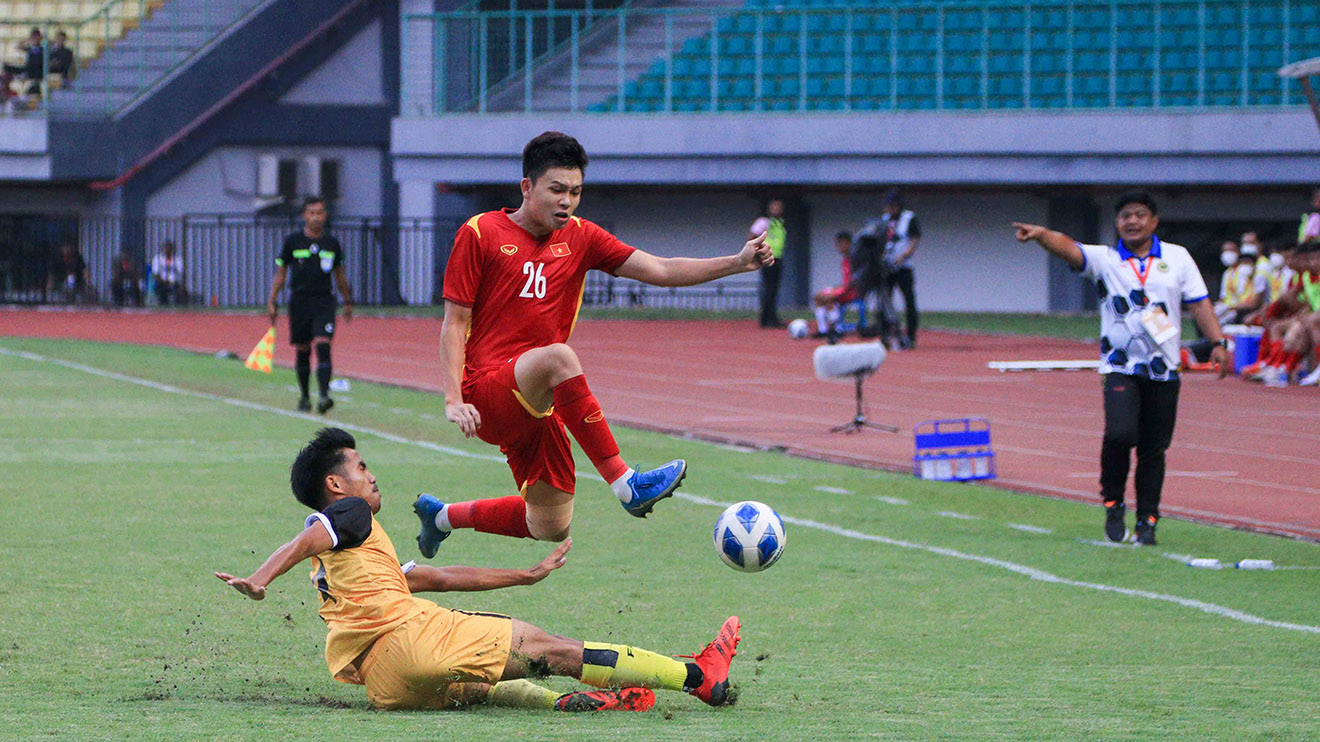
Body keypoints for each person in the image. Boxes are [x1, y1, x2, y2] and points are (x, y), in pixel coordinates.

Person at [416, 131, 773, 556]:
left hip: (538, 403)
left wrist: (735, 263)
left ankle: (440, 517)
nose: (567, 201)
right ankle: (627, 485)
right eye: (557, 190)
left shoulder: (582, 237)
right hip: (487, 393)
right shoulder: (480, 232)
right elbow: (454, 323)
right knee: (559, 358)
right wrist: (453, 399)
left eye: (576, 191)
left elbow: (660, 268)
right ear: (527, 187)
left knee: (549, 525)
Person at [215, 428, 741, 712]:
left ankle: (565, 705)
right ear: (336, 485)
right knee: (550, 648)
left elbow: (438, 578)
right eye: (360, 467)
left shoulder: (349, 560)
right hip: (410, 640)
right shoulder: (345, 515)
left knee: (476, 686)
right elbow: (307, 536)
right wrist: (260, 578)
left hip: (386, 686)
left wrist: (524, 574)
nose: (371, 476)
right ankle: (696, 675)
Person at [1014, 191, 1231, 546]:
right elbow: (1070, 248)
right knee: (1119, 434)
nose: (1132, 221)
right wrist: (1041, 235)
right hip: (1119, 366)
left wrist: (1218, 343)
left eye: (1140, 215)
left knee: (1153, 449)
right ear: (1117, 223)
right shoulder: (1107, 259)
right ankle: (1113, 503)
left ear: (1154, 221)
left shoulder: (1177, 258)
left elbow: (1199, 303)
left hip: (1164, 369)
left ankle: (1148, 520)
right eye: (1125, 216)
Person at [266, 197, 355, 414]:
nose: (316, 217)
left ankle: (324, 395)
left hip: (324, 300)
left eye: (320, 213)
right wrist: (272, 299)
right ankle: (305, 396)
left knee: (324, 344)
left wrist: (347, 300)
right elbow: (281, 272)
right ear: (305, 215)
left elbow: (340, 274)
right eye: (312, 213)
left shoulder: (332, 244)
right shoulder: (292, 242)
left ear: (325, 215)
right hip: (299, 300)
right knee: (303, 348)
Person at [856, 189, 921, 349]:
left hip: (903, 266)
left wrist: (905, 255)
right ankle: (885, 333)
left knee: (909, 300)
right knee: (884, 300)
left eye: (892, 206)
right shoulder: (884, 220)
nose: (889, 209)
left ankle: (911, 335)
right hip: (887, 266)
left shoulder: (909, 218)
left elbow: (914, 239)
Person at [811, 230, 858, 339]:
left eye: (841, 243)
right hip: (845, 288)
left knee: (828, 298)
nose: (839, 246)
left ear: (848, 243)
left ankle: (837, 329)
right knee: (818, 297)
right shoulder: (844, 259)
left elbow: (853, 281)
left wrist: (839, 290)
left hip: (852, 291)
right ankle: (823, 330)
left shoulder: (854, 259)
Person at [749, 198, 786, 328]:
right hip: (767, 258)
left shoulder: (780, 223)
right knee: (769, 289)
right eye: (774, 207)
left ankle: (771, 317)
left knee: (774, 290)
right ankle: (767, 319)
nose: (777, 209)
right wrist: (757, 253)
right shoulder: (764, 222)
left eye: (779, 207)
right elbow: (752, 236)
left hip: (778, 258)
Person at [1214, 239, 1256, 326]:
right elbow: (1224, 296)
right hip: (1228, 306)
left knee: (1220, 322)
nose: (1228, 253)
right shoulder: (1227, 273)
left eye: (1231, 250)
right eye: (1225, 250)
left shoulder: (1245, 270)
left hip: (1240, 308)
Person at [150, 241, 185, 306]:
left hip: (174, 282)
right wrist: (163, 281)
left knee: (180, 291)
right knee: (161, 290)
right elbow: (155, 273)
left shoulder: (177, 259)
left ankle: (178, 306)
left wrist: (174, 281)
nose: (168, 250)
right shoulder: (157, 259)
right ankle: (163, 305)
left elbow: (180, 272)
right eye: (166, 248)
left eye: (170, 248)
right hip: (162, 282)